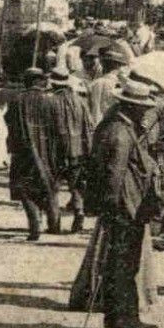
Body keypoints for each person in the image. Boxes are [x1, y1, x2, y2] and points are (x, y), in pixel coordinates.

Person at [82, 77, 162, 328]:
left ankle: (123, 316)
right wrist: (110, 205)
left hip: (125, 205)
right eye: (143, 106)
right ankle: (121, 318)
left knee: (124, 263)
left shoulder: (122, 128)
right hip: (124, 207)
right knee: (123, 264)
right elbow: (113, 174)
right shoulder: (119, 132)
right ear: (131, 106)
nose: (146, 110)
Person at [6, 67, 66, 240]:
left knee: (26, 189)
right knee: (50, 186)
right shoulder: (51, 101)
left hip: (23, 150)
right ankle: (54, 224)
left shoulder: (17, 100)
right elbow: (60, 128)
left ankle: (35, 227)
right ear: (41, 81)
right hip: (48, 151)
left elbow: (9, 123)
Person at [49, 65, 91, 234]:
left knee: (53, 187)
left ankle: (54, 222)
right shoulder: (80, 102)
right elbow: (88, 127)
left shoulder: (51, 101)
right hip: (78, 151)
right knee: (77, 186)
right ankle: (79, 213)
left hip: (56, 151)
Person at [84, 44, 130, 130]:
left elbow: (92, 108)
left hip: (95, 126)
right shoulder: (122, 86)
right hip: (113, 127)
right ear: (118, 66)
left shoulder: (94, 84)